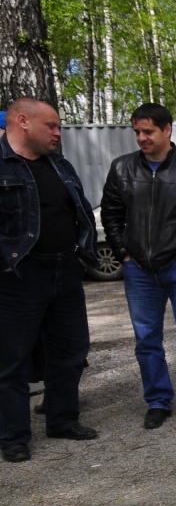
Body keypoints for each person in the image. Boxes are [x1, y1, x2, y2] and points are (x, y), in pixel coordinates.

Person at [100, 102, 176, 429]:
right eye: (137, 132)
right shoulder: (121, 169)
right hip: (139, 271)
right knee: (146, 340)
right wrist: (123, 252)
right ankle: (158, 400)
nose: (141, 138)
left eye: (148, 131)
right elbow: (111, 214)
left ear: (167, 129)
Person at [0, 97, 99, 463]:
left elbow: (79, 212)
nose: (58, 133)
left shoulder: (60, 164)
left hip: (65, 270)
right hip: (19, 276)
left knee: (70, 353)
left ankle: (62, 420)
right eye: (51, 126)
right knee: (11, 361)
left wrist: (81, 256)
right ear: (22, 121)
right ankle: (13, 437)